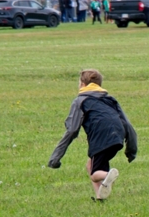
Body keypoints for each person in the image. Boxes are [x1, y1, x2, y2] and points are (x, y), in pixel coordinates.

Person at [48, 69, 138, 201]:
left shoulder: (80, 101)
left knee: (95, 174)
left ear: (82, 84)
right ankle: (100, 196)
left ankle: (107, 175)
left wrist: (55, 158)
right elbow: (128, 125)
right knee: (90, 165)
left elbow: (72, 130)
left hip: (101, 138)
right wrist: (131, 151)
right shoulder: (110, 100)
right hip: (118, 136)